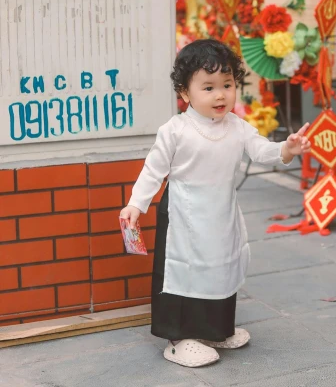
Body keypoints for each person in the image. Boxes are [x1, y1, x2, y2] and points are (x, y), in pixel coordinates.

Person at [120, 39, 311, 368]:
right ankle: (179, 339)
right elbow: (154, 170)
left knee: (221, 269)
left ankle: (215, 330)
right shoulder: (176, 130)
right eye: (208, 87)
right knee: (185, 272)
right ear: (184, 92)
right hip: (184, 214)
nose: (220, 95)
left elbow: (262, 150)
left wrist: (287, 149)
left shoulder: (236, 126)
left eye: (227, 85)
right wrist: (137, 204)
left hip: (222, 213)